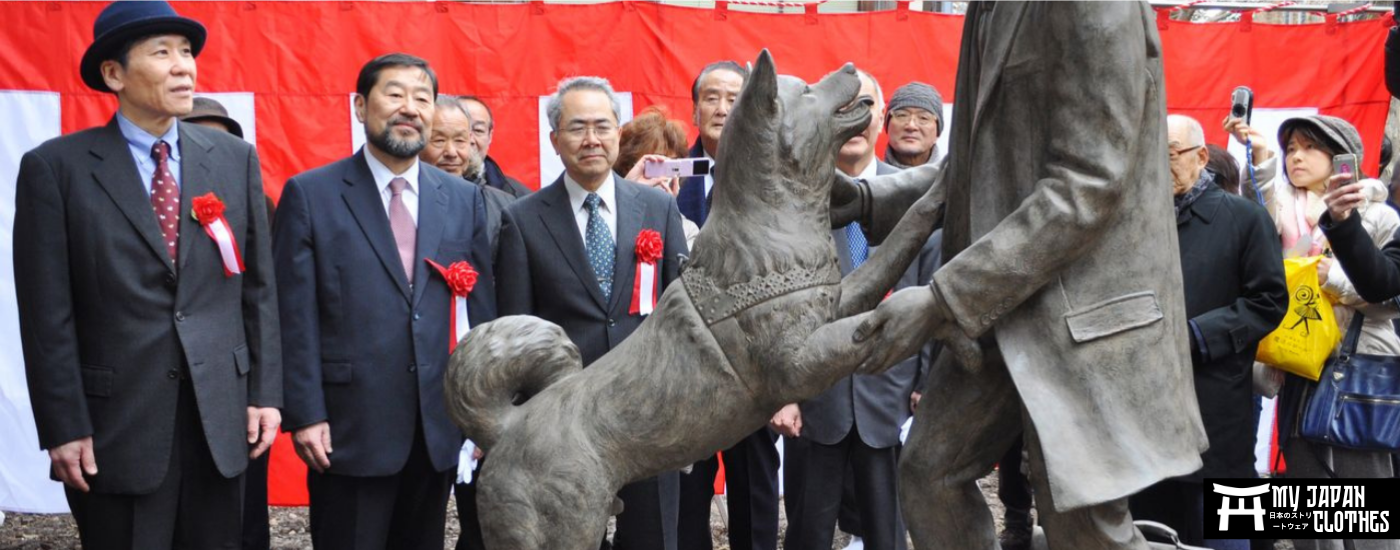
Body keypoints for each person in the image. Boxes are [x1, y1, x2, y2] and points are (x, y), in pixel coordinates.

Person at [845, 3, 1207, 549]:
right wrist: (863, 199)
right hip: (997, 309)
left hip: (1079, 316)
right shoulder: (987, 8)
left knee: (1081, 525)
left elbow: (1087, 184)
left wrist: (945, 300)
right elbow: (964, 170)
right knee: (928, 476)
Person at [13, 2, 281, 548]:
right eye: (162, 53)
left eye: (187, 52)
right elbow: (47, 313)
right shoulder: (56, 169)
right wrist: (64, 425)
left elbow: (259, 291)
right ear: (114, 74)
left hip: (221, 417)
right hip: (118, 424)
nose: (184, 66)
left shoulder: (233, 159)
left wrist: (265, 393)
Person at [273, 53, 496, 549]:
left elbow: (480, 311)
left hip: (436, 425)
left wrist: (482, 411)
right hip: (349, 427)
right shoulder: (312, 195)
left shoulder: (460, 199)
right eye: (395, 94)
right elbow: (293, 315)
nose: (410, 108)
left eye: (422, 98)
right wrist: (306, 413)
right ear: (360, 105)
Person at [496, 75, 686, 550]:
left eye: (602, 126)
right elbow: (517, 331)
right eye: (577, 127)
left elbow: (681, 310)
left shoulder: (658, 208)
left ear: (618, 132)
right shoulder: (523, 219)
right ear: (554, 139)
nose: (591, 139)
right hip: (564, 417)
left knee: (652, 535)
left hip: (648, 410)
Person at [774, 69, 925, 550]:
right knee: (807, 534)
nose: (856, 120)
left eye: (866, 108)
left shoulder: (916, 193)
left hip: (892, 396)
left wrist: (925, 383)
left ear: (882, 118)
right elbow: (775, 307)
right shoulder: (793, 200)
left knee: (889, 536)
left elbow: (934, 289)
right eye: (844, 110)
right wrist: (780, 393)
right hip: (814, 399)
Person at [1128, 115, 1288, 550]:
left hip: (1217, 403)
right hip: (1144, 413)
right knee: (1150, 533)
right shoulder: (1135, 221)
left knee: (1227, 536)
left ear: (1201, 156)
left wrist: (1196, 336)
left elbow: (1268, 302)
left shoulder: (1244, 218)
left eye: (1168, 154)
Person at [1246, 114, 1400, 550]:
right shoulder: (1285, 219)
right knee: (1306, 513)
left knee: (1365, 512)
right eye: (1291, 148)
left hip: (1359, 369)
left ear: (1341, 157)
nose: (1296, 156)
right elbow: (1255, 204)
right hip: (1298, 367)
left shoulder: (1379, 217)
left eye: (1309, 147)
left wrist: (1332, 278)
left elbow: (1391, 299)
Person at [672, 60, 783, 550]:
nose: (722, 108)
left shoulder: (777, 179)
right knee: (683, 488)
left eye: (733, 97)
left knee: (755, 484)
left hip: (753, 362)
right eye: (710, 97)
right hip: (681, 362)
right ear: (695, 109)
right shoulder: (666, 170)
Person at [179, 95, 273, 550]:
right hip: (167, 375)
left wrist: (264, 387)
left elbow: (265, 297)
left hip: (235, 373)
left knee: (243, 502)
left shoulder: (257, 204)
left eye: (220, 138)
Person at [614, 106, 701, 247]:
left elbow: (678, 267)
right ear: (629, 167)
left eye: (669, 167)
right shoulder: (606, 218)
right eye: (653, 166)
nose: (661, 178)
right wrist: (628, 202)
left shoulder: (687, 229)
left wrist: (667, 215)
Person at [458, 95, 532, 198]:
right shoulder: (428, 188)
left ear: (490, 136)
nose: (470, 139)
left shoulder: (518, 197)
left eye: (478, 130)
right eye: (460, 129)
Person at [882, 81, 944, 169]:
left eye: (923, 118)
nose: (911, 126)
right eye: (902, 115)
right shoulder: (867, 179)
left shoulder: (955, 180)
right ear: (887, 125)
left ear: (938, 131)